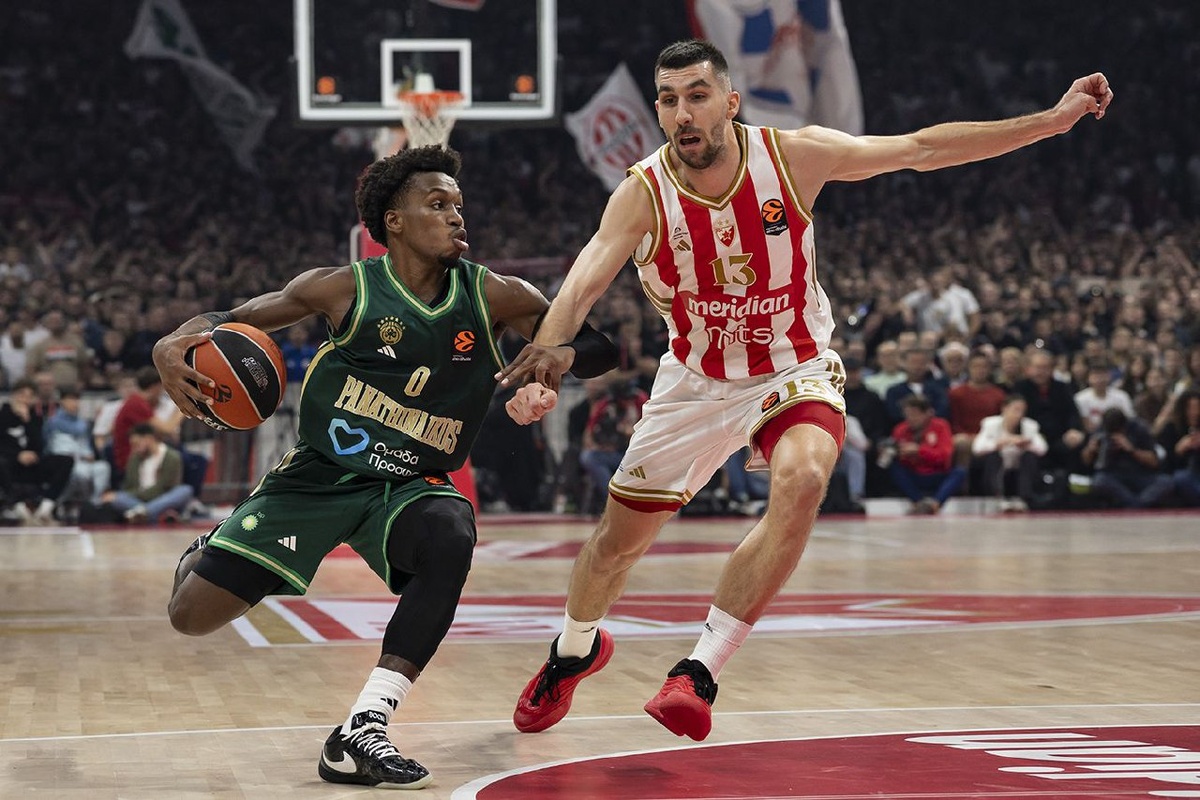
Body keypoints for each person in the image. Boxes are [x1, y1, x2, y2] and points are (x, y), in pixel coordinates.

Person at [494, 39, 1111, 742]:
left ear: (730, 103)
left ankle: (698, 671)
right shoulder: (642, 193)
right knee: (614, 547)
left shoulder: (793, 157)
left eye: (697, 95)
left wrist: (1049, 121)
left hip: (793, 365)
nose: (682, 112)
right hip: (695, 380)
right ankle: (574, 650)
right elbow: (582, 283)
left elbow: (920, 148)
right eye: (668, 99)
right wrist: (542, 366)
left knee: (807, 477)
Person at [151, 146, 617, 788]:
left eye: (458, 205)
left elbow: (599, 346)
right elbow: (230, 320)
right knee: (191, 616)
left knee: (451, 534)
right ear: (393, 222)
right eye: (437, 204)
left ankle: (364, 725)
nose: (456, 216)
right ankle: (211, 550)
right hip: (319, 475)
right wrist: (170, 341)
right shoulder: (341, 288)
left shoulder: (496, 295)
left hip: (411, 484)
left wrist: (559, 354)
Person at [0, 378, 74, 523]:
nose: (25, 400)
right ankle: (17, 506)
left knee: (66, 461)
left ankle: (46, 506)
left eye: (29, 396)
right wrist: (17, 455)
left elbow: (39, 445)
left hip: (33, 464)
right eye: (22, 395)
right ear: (14, 395)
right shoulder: (2, 416)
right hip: (10, 465)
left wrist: (27, 421)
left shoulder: (36, 418)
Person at [886, 394, 965, 514]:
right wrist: (894, 452)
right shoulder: (900, 429)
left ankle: (935, 504)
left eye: (915, 414)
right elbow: (897, 457)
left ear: (927, 413)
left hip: (937, 473)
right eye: (907, 415)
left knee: (959, 472)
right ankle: (918, 502)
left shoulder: (941, 426)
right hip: (914, 473)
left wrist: (919, 451)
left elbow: (945, 456)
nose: (911, 418)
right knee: (894, 469)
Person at [100, 423, 193, 523]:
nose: (134, 448)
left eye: (136, 444)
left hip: (163, 499)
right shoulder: (134, 459)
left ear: (149, 439)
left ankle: (144, 513)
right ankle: (152, 514)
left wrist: (141, 494)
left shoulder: (172, 457)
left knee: (185, 490)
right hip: (138, 501)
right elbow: (129, 487)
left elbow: (165, 488)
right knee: (117, 497)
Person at [1080, 407, 1172, 509]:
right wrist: (1090, 450)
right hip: (1113, 475)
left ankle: (1135, 505)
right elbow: (1086, 461)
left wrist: (1131, 450)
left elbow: (1154, 461)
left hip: (1140, 474)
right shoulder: (1101, 431)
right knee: (1099, 481)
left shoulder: (1139, 428)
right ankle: (1136, 505)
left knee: (1165, 482)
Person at [971, 394, 1048, 512]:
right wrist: (999, 444)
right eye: (1016, 410)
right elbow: (977, 448)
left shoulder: (1030, 426)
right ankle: (997, 497)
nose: (1019, 415)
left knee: (1029, 457)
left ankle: (1024, 499)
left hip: (1018, 472)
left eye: (1022, 411)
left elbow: (1043, 449)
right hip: (996, 469)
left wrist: (1027, 444)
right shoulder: (990, 424)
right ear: (1004, 409)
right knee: (992, 456)